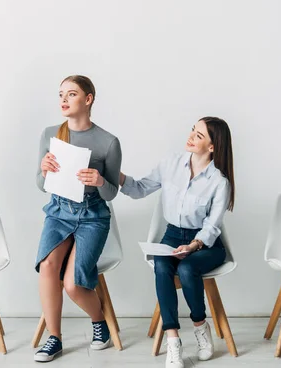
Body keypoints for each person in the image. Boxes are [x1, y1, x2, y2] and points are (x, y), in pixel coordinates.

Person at [119, 117, 235, 368]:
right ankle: (173, 341)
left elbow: (212, 227)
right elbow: (139, 189)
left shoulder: (219, 182)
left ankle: (200, 326)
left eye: (199, 135)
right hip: (172, 235)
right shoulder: (171, 164)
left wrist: (193, 246)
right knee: (162, 267)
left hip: (206, 245)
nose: (191, 136)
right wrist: (115, 176)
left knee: (186, 268)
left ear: (213, 147)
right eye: (193, 130)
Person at [33, 75, 122, 362]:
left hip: (92, 216)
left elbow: (111, 194)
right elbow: (39, 183)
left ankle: (100, 322)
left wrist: (98, 181)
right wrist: (44, 172)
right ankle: (54, 338)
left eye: (71, 94)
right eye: (61, 94)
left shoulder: (108, 142)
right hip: (59, 212)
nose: (63, 100)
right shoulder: (50, 133)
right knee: (47, 265)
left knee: (73, 284)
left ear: (88, 99)